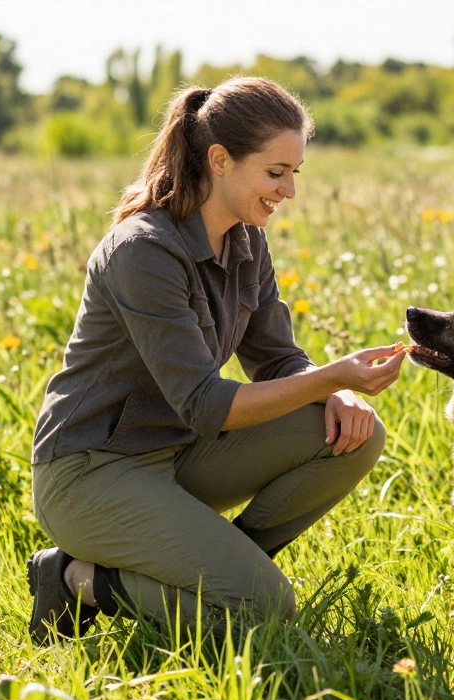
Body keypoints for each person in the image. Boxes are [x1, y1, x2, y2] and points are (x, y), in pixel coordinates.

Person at [26, 76, 406, 644]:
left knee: (354, 431)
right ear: (220, 160)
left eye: (294, 174)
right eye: (275, 173)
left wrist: (334, 390)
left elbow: (278, 359)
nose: (289, 191)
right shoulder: (144, 250)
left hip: (176, 455)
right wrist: (332, 376)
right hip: (89, 472)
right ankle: (76, 577)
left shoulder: (247, 241)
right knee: (267, 609)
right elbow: (206, 404)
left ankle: (222, 572)